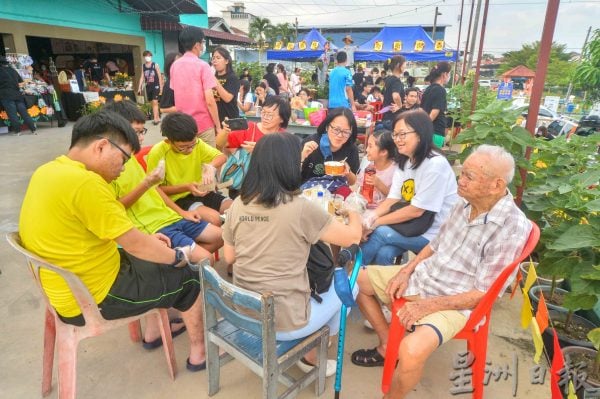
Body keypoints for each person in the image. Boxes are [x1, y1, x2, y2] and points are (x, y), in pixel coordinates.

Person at [19, 111, 209, 372]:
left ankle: (154, 332)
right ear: (101, 146)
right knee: (187, 277)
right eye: (122, 159)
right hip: (91, 297)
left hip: (64, 288)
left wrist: (150, 243)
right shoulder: (87, 184)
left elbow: (109, 232)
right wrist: (178, 257)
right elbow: (135, 244)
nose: (122, 169)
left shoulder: (48, 171)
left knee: (154, 257)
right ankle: (199, 355)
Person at [351, 145, 532, 399]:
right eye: (463, 172)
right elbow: (435, 244)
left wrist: (427, 306)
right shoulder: (464, 202)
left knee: (411, 351)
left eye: (469, 175)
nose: (461, 179)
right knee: (357, 280)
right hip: (427, 275)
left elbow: (484, 293)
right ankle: (385, 345)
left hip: (456, 302)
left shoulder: (510, 227)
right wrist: (407, 270)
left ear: (496, 185)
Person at [222, 133, 362, 377]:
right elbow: (352, 238)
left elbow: (229, 257)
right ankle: (311, 352)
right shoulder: (300, 208)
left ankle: (310, 346)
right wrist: (354, 213)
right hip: (285, 322)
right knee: (354, 284)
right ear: (289, 166)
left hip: (246, 312)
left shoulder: (239, 205)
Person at [360, 110, 459, 266]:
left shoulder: (435, 164)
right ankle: (379, 287)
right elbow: (393, 198)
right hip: (411, 226)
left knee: (379, 233)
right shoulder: (405, 161)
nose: (397, 140)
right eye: (395, 135)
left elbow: (416, 210)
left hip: (434, 232)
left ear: (420, 134)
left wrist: (375, 223)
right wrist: (370, 218)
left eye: (402, 134)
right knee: (383, 253)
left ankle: (349, 277)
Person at [147, 112, 231, 227]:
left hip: (200, 192)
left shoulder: (197, 143)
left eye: (192, 145)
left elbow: (221, 157)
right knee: (215, 219)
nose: (190, 150)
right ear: (169, 141)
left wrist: (211, 167)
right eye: (183, 147)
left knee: (235, 209)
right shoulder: (158, 152)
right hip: (177, 199)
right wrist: (186, 187)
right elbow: (155, 190)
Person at [221, 95, 291, 199]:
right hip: (244, 187)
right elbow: (222, 143)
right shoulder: (249, 128)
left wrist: (259, 151)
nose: (265, 117)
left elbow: (285, 167)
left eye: (270, 115)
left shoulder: (285, 138)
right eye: (263, 112)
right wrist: (225, 131)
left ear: (282, 118)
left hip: (270, 189)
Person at [170, 26, 222, 148]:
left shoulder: (175, 66)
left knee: (188, 161)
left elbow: (175, 94)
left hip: (183, 125)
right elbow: (210, 101)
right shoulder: (203, 66)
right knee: (209, 163)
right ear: (197, 45)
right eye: (203, 42)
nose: (203, 45)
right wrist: (218, 126)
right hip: (203, 124)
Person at [301, 107, 360, 185]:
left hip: (334, 194)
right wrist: (302, 157)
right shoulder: (310, 143)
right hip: (307, 192)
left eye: (346, 132)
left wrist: (347, 172)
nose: (339, 135)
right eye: (336, 129)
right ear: (327, 126)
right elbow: (291, 176)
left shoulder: (351, 149)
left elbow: (352, 183)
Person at [356, 130, 398, 207]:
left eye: (370, 146)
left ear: (383, 152)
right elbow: (360, 189)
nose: (366, 149)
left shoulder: (396, 171)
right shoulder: (369, 166)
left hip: (385, 211)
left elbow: (396, 199)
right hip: (367, 207)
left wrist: (379, 184)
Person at [0, 56, 37, 135]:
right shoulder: (12, 70)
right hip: (17, 94)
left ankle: (18, 131)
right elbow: (21, 83)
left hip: (6, 95)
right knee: (24, 112)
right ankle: (33, 129)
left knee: (12, 113)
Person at [421, 61, 451, 148]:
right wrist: (426, 126)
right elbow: (435, 111)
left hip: (428, 131)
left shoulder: (429, 89)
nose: (449, 76)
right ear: (444, 74)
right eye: (449, 73)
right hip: (436, 131)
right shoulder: (440, 90)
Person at [211, 47, 240, 123]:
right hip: (215, 120)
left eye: (218, 58)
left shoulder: (232, 78)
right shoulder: (213, 77)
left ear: (226, 61)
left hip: (230, 120)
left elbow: (227, 98)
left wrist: (214, 80)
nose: (215, 60)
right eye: (213, 58)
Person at [136, 50, 164, 125]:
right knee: (152, 102)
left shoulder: (155, 65)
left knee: (155, 102)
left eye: (149, 56)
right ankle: (157, 117)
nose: (147, 57)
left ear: (151, 57)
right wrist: (139, 87)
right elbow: (142, 77)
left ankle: (155, 119)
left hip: (156, 85)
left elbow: (159, 76)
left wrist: (161, 87)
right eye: (146, 56)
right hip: (148, 86)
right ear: (144, 57)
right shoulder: (143, 66)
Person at [380, 55, 407, 130]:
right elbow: (395, 95)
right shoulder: (396, 81)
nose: (405, 66)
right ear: (399, 65)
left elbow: (382, 95)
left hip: (386, 117)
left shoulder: (388, 79)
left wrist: (388, 105)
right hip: (393, 118)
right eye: (405, 64)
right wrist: (400, 105)